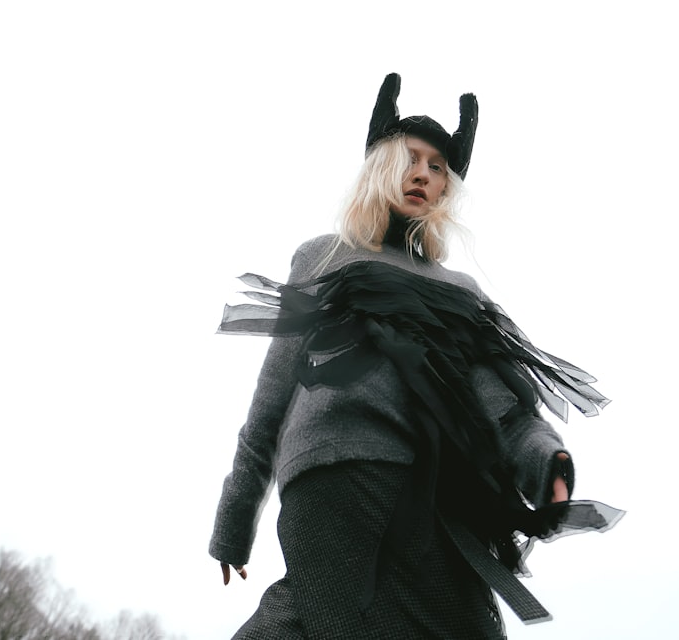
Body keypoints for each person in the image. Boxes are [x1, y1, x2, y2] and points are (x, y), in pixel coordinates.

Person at [209, 73, 623, 639]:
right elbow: (270, 403)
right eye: (410, 158)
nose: (422, 174)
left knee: (455, 625)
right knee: (334, 612)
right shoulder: (323, 258)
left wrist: (549, 462)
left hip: (441, 489)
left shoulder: (462, 292)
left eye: (437, 167)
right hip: (339, 467)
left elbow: (504, 410)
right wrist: (234, 522)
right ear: (381, 167)